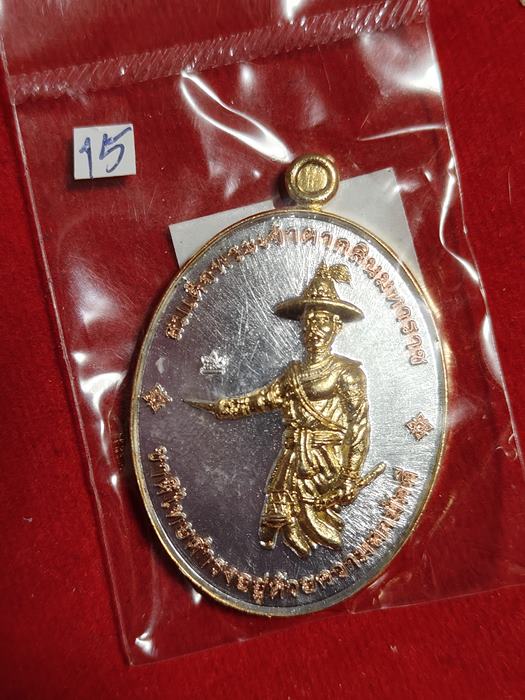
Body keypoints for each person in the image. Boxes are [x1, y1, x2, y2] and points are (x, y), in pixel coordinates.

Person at [187, 262, 383, 558]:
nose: (314, 329)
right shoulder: (292, 374)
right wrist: (226, 407)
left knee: (316, 524)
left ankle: (315, 559)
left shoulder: (347, 373)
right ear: (301, 327)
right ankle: (275, 559)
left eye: (323, 322)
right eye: (309, 321)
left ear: (336, 327)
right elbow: (262, 399)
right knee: (276, 518)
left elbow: (359, 426)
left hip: (325, 462)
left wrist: (350, 475)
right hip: (292, 458)